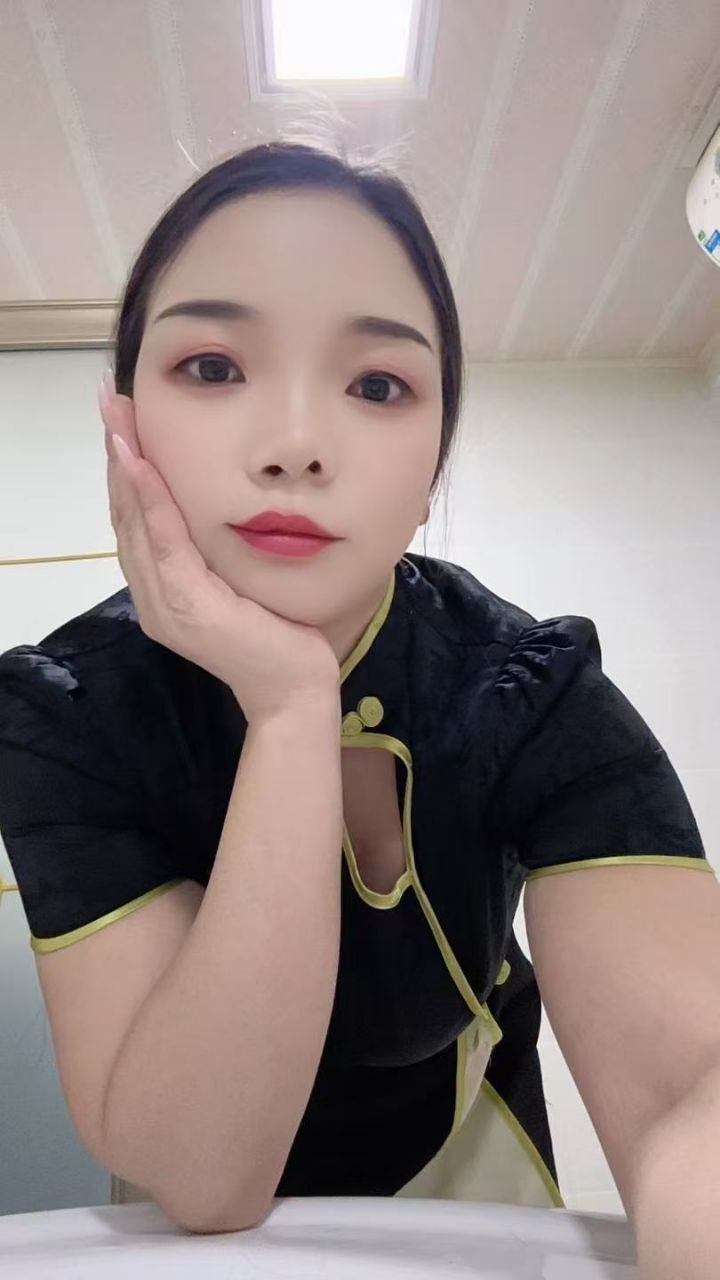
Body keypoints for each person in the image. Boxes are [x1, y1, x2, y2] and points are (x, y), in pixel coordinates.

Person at [0, 141, 718, 1269]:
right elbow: (204, 1172)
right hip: (184, 1213)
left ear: (431, 469)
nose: (294, 446)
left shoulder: (531, 692)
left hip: (463, 1177)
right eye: (212, 367)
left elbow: (692, 1089)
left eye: (377, 385)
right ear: (124, 425)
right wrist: (291, 709)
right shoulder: (66, 711)